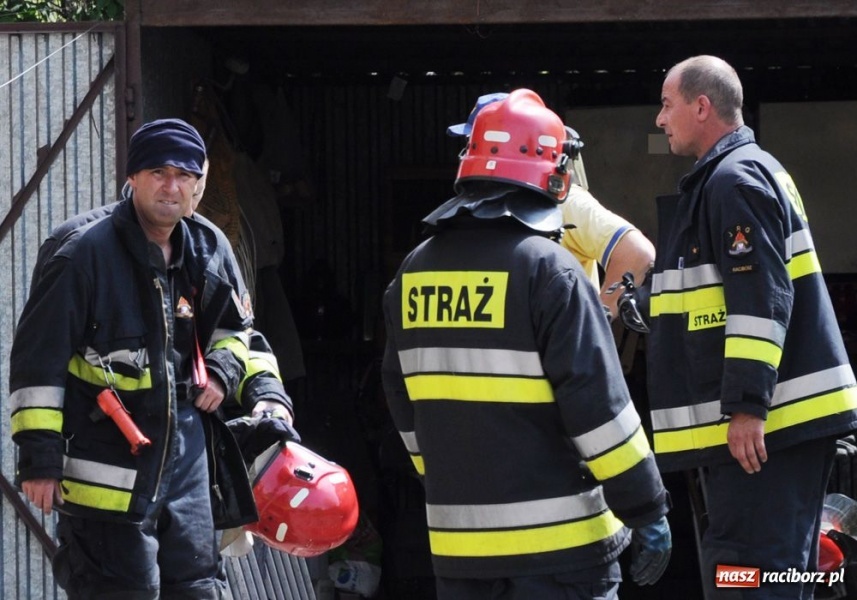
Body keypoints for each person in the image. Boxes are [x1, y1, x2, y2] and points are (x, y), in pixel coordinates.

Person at [382, 88, 671, 600]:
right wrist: (646, 508)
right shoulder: (551, 270)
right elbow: (599, 410)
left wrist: (456, 478)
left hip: (462, 550)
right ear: (552, 172)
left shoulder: (412, 272)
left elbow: (405, 408)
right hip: (563, 557)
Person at [8, 118, 275, 598]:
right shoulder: (81, 254)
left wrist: (222, 371)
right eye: (158, 172)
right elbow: (37, 363)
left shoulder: (209, 248)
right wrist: (40, 460)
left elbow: (237, 329)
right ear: (132, 177)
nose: (171, 187)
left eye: (184, 175)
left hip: (187, 475)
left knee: (196, 589)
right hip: (106, 480)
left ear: (198, 184)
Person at [649, 55, 857, 598]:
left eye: (667, 104)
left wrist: (746, 405)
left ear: (702, 106)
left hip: (765, 432)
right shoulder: (743, 173)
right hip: (774, 432)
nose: (659, 119)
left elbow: (759, 298)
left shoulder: (734, 180)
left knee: (748, 577)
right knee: (771, 573)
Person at [446, 92, 656, 321]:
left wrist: (595, 321)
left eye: (477, 141)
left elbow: (636, 253)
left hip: (557, 350)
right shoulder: (478, 207)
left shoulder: (565, 202)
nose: (470, 150)